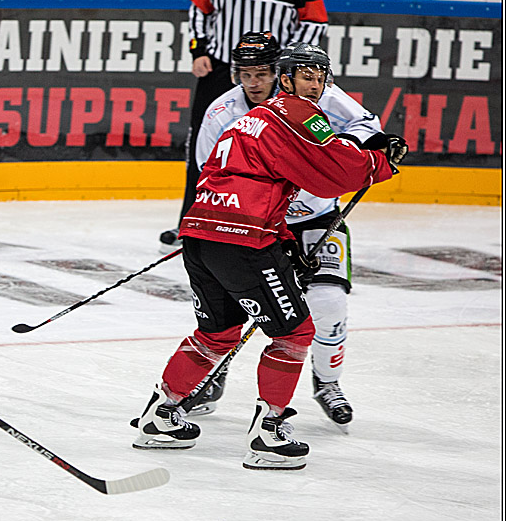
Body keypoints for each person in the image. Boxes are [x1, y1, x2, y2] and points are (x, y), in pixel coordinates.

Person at [133, 43, 408, 470]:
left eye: (320, 77)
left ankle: (159, 416)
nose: (314, 85)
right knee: (295, 333)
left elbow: (241, 179)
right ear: (286, 79)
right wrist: (379, 162)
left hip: (201, 233)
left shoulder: (252, 118)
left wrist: (278, 240)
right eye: (306, 76)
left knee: (217, 333)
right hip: (243, 240)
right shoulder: (298, 113)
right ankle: (268, 434)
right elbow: (332, 172)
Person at [185, 32, 385, 430]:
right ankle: (215, 370)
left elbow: (368, 127)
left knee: (328, 303)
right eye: (245, 74)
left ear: (279, 73)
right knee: (235, 308)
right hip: (256, 225)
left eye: (262, 73)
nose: (254, 82)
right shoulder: (221, 111)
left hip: (315, 218)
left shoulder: (317, 94)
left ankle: (327, 383)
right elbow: (210, 172)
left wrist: (337, 151)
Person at [159, 0, 329, 251]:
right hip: (221, 67)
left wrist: (291, 67)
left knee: (280, 145)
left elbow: (315, 20)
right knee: (204, 146)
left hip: (273, 74)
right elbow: (200, 5)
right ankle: (194, 222)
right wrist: (199, 50)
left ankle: (275, 223)